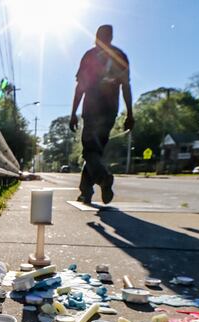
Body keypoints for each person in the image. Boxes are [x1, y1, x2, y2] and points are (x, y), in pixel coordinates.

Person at [69, 24, 133, 204]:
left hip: (92, 107)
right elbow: (126, 86)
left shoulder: (90, 56)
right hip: (111, 109)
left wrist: (73, 112)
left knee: (90, 151)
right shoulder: (120, 56)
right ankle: (85, 191)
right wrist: (129, 114)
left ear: (96, 36)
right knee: (95, 151)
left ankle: (104, 178)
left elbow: (80, 87)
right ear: (111, 37)